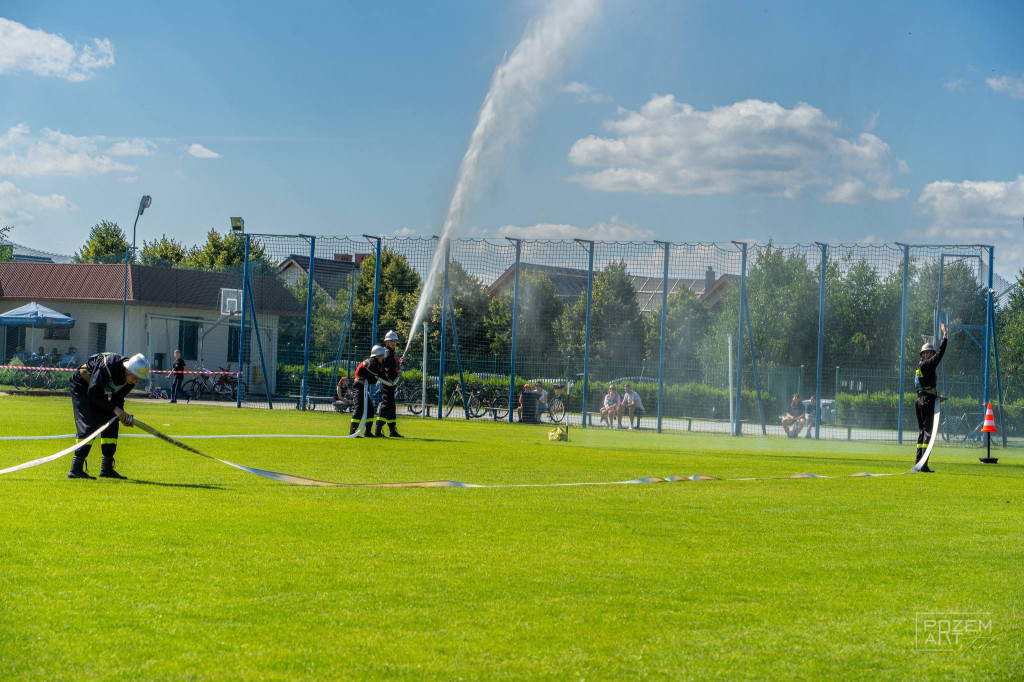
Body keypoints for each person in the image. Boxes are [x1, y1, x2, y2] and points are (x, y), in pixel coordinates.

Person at [67, 352, 150, 479]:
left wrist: (122, 416)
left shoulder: (130, 380)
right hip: (81, 386)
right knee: (89, 425)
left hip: (97, 391)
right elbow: (93, 392)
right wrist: (115, 409)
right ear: (128, 370)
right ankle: (76, 469)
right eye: (135, 378)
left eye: (139, 379)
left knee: (112, 423)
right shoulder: (109, 365)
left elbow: (118, 399)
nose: (135, 382)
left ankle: (107, 469)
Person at [914, 323, 947, 473]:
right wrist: (945, 337)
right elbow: (941, 353)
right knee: (928, 432)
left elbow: (921, 386)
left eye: (929, 353)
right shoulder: (928, 365)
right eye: (925, 353)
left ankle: (918, 462)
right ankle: (924, 465)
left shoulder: (919, 366)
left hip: (921, 400)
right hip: (926, 400)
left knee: (922, 432)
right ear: (923, 355)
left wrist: (935, 397)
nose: (927, 355)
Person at [350, 345, 387, 437]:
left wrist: (388, 380)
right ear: (377, 355)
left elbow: (380, 374)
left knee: (370, 409)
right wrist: (377, 378)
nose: (383, 357)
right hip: (359, 386)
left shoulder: (377, 364)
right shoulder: (371, 362)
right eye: (382, 355)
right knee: (359, 408)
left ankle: (368, 432)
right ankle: (352, 432)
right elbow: (372, 378)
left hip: (364, 387)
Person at [374, 330, 404, 438]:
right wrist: (396, 373)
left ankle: (392, 430)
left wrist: (401, 363)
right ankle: (378, 429)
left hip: (391, 383)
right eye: (391, 341)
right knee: (387, 405)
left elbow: (394, 367)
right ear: (387, 342)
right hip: (387, 383)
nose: (393, 343)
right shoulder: (387, 353)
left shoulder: (391, 352)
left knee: (391, 406)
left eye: (394, 341)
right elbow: (387, 369)